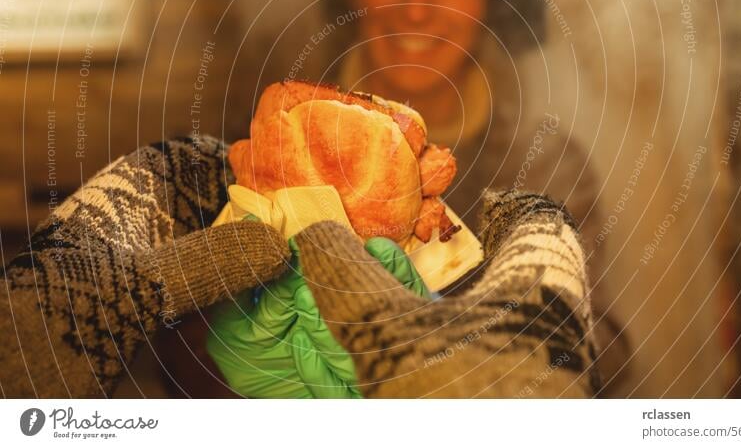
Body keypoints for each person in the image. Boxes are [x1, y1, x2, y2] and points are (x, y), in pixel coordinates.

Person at [318, 0, 627, 386]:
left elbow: (603, 358)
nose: (417, 6)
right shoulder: (281, 148)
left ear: (491, 0)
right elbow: (193, 360)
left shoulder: (543, 165)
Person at [0, 136, 599, 398]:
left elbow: (620, 351)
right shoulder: (258, 153)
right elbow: (174, 365)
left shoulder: (544, 154)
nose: (419, 2)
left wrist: (484, 366)